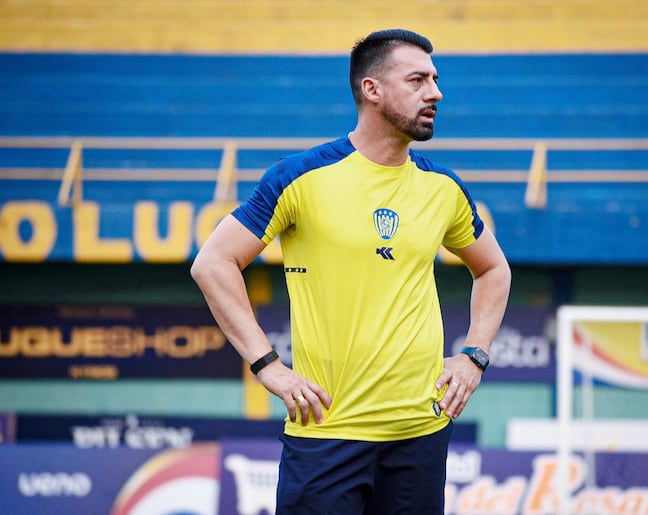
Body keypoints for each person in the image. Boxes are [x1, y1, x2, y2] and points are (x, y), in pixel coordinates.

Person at [191, 28, 511, 514]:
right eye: (418, 80)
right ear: (372, 89)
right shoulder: (299, 177)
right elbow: (213, 263)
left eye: (436, 79)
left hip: (420, 434)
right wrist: (267, 366)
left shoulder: (443, 187)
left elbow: (493, 270)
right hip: (327, 434)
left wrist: (474, 356)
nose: (435, 92)